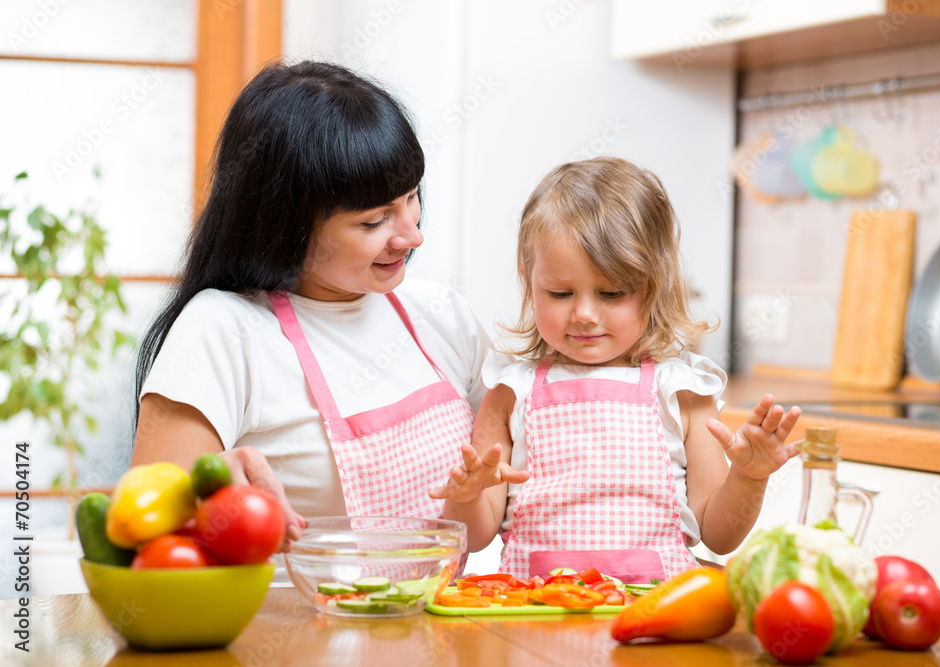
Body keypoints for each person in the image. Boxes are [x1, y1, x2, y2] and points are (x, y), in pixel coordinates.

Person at [130, 61, 489, 543]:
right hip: (288, 620)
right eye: (373, 222)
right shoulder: (223, 330)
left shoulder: (442, 315)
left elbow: (497, 499)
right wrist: (214, 494)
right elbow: (147, 537)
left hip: (435, 617)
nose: (413, 235)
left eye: (411, 198)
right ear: (288, 224)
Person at [430, 157, 801, 583]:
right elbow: (476, 537)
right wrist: (467, 497)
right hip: (532, 614)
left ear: (654, 285)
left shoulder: (682, 390)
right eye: (560, 292)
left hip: (656, 617)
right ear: (527, 280)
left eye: (611, 293)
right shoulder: (509, 390)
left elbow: (719, 536)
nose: (585, 314)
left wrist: (750, 476)